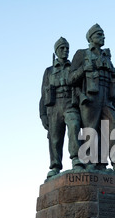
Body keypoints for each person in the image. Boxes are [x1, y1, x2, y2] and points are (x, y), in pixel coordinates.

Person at [68, 24, 115, 176]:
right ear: (91, 38)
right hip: (90, 97)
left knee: (114, 125)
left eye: (103, 34)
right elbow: (70, 78)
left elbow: (114, 77)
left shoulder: (106, 56)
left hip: (107, 97)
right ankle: (90, 164)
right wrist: (84, 68)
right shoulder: (82, 54)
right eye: (99, 35)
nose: (103, 37)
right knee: (90, 129)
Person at [39, 37, 84, 179]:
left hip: (70, 103)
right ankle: (55, 165)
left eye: (67, 48)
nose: (65, 51)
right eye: (62, 48)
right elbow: (42, 95)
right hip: (54, 107)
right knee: (55, 138)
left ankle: (76, 158)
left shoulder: (73, 67)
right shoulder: (49, 71)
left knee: (74, 125)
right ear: (56, 51)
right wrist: (42, 115)